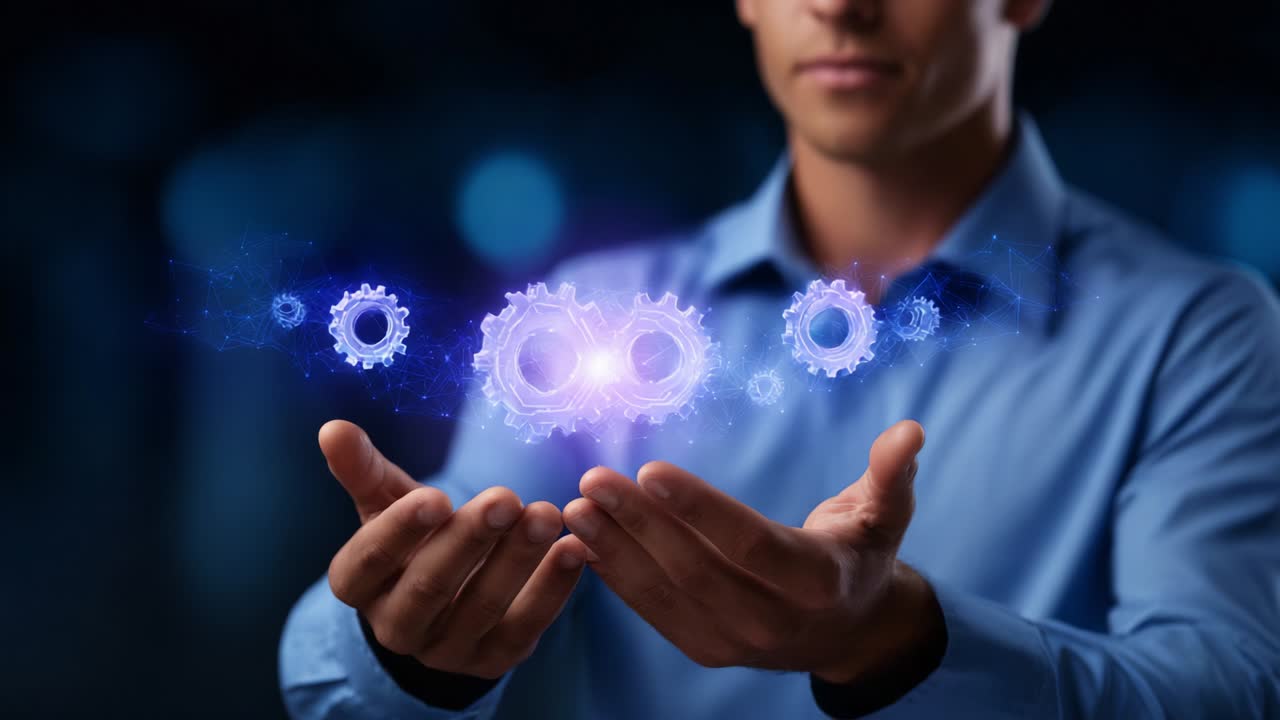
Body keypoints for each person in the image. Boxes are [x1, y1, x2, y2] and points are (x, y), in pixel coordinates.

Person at [279, 1, 1280, 718]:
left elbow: (1225, 687)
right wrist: (403, 645)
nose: (841, 8)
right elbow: (343, 670)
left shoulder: (1193, 331)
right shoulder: (594, 317)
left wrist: (903, 644)